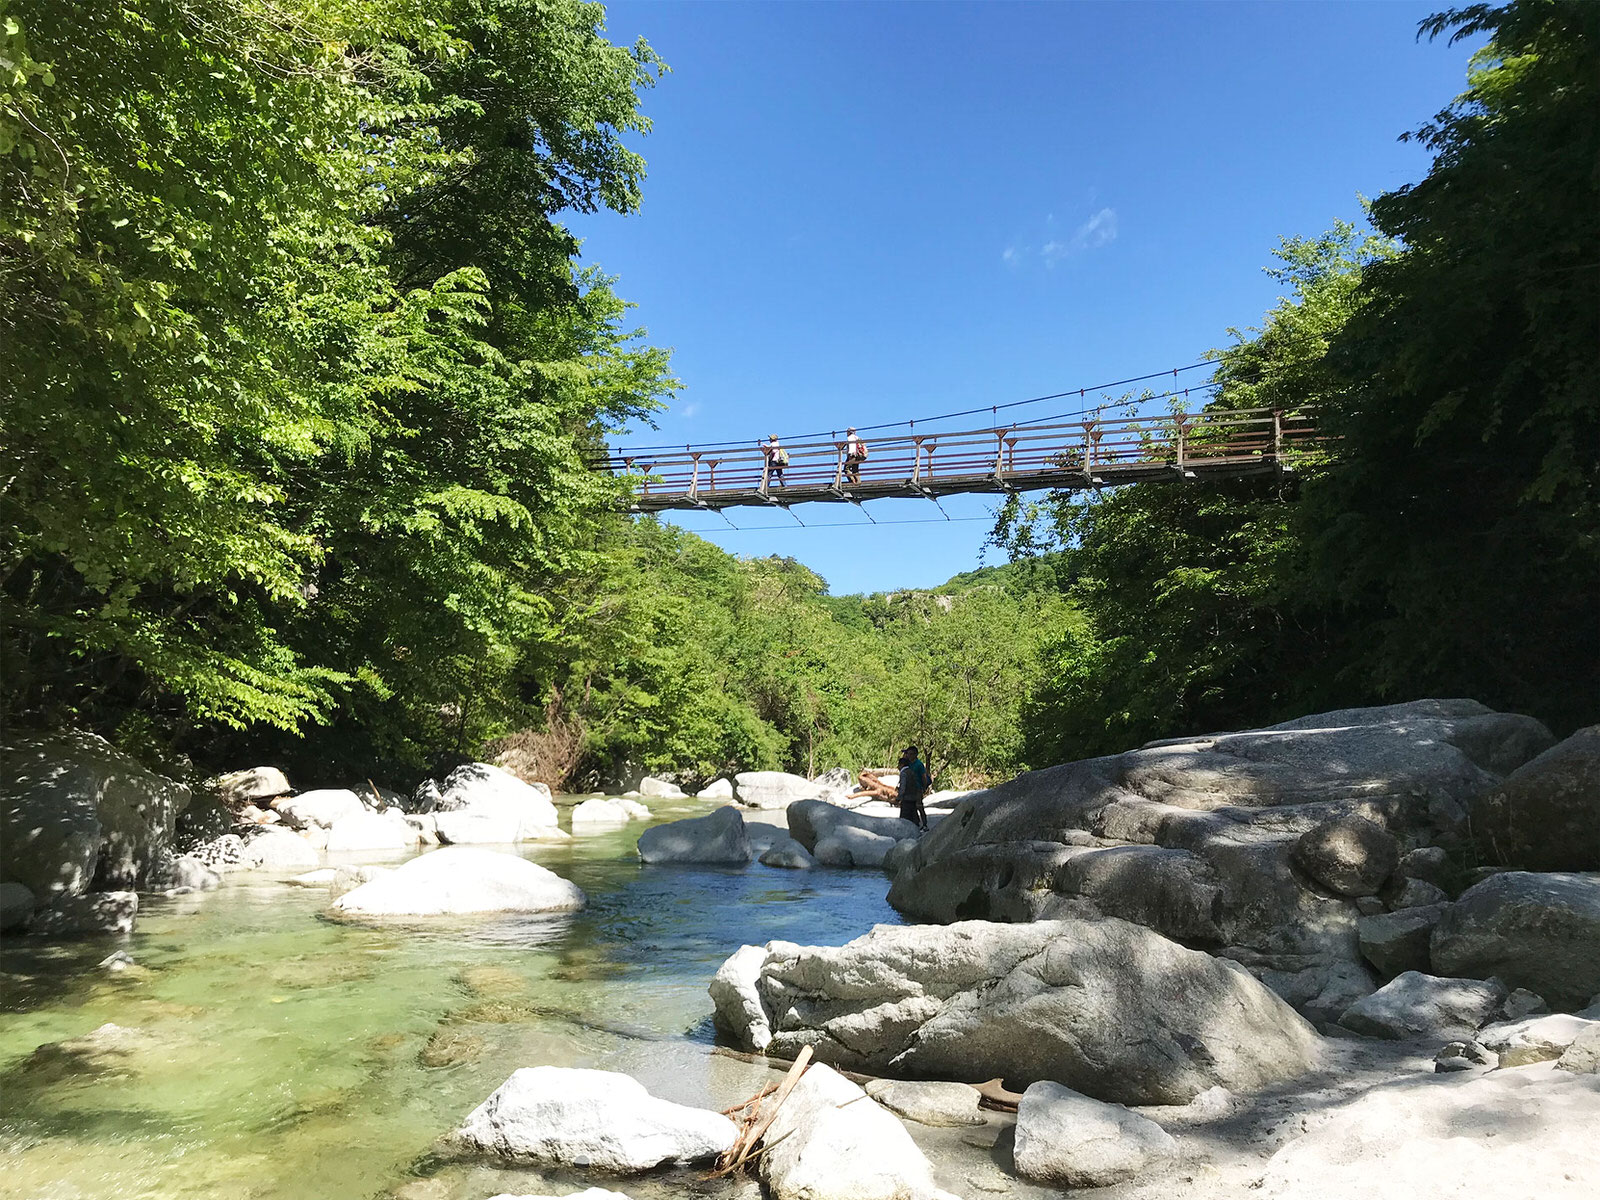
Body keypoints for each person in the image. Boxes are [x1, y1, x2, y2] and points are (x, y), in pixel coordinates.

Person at [896, 745, 930, 831]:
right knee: (912, 807)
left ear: (915, 754)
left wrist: (924, 787)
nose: (908, 755)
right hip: (909, 789)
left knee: (919, 806)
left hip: (918, 788)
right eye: (907, 754)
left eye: (910, 754)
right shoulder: (908, 764)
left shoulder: (919, 764)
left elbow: (923, 776)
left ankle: (925, 824)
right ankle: (916, 823)